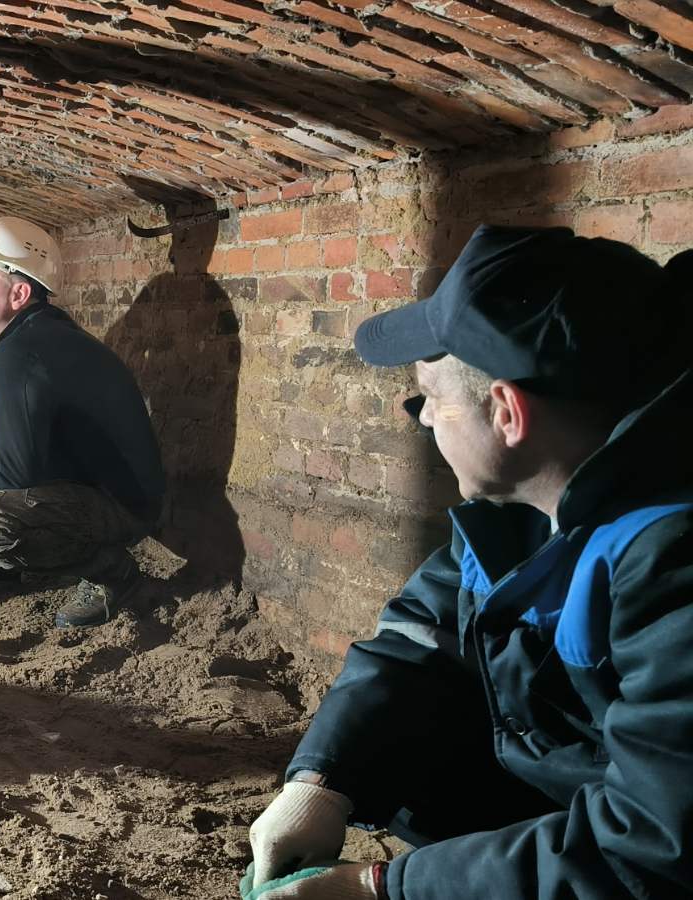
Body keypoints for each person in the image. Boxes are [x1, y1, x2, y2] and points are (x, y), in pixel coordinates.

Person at [243, 224, 693, 900]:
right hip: (589, 780)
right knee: (412, 752)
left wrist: (382, 887)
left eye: (432, 396)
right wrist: (322, 781)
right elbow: (419, 636)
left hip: (655, 835)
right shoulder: (538, 491)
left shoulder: (671, 561)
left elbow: (657, 842)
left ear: (508, 413)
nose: (423, 418)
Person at [0, 215, 167, 628]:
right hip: (68, 475)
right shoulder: (19, 334)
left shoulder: (25, 353)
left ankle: (112, 573)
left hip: (120, 504)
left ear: (18, 293)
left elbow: (17, 471)